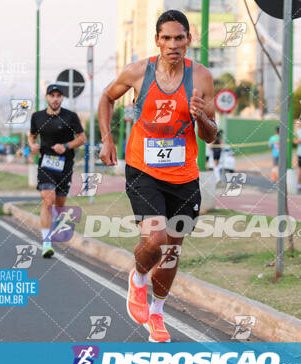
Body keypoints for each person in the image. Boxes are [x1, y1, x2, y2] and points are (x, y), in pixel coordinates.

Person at [97, 10, 217, 342]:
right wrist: (107, 139)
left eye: (180, 38)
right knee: (155, 240)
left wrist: (201, 118)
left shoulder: (202, 78)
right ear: (157, 40)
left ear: (189, 40)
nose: (173, 44)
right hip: (143, 168)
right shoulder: (138, 72)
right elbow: (107, 98)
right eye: (167, 38)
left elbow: (211, 135)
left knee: (172, 249)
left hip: (184, 174)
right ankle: (137, 280)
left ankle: (157, 312)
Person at [28, 84, 86, 258]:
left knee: (59, 204)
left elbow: (82, 139)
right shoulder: (37, 117)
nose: (55, 99)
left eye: (58, 96)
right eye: (52, 95)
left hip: (65, 165)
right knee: (48, 200)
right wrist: (33, 145)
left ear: (62, 98)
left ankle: (54, 225)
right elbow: (31, 136)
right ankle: (46, 243)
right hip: (46, 163)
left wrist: (66, 146)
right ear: (46, 97)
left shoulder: (71, 117)